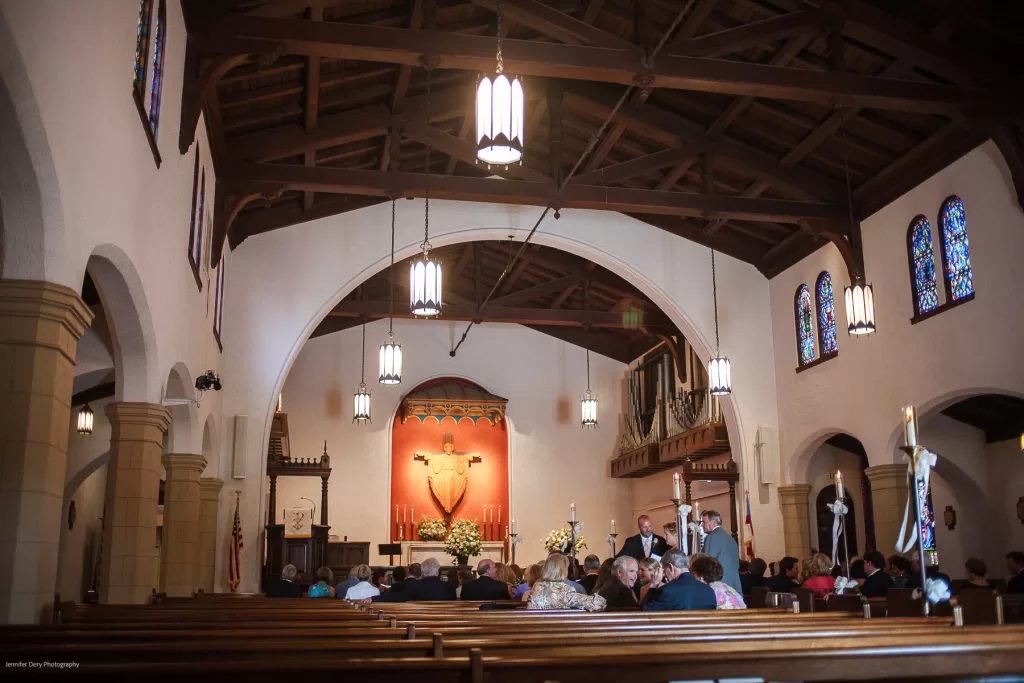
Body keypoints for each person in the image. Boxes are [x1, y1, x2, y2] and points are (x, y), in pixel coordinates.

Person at [642, 549, 717, 611]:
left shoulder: (667, 591)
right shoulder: (709, 591)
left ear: (671, 567)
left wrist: (653, 584)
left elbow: (646, 612)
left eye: (664, 570)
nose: (665, 575)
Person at [527, 553, 606, 611]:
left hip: (536, 630)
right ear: (564, 570)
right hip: (559, 631)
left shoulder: (536, 587)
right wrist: (599, 592)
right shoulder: (565, 590)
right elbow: (598, 604)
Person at [371, 557, 456, 602]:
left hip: (418, 626)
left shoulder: (414, 585)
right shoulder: (450, 588)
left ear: (422, 572)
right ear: (437, 572)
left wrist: (374, 598)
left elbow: (398, 596)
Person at [700, 510, 742, 594]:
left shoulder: (711, 537)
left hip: (720, 585)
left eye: (704, 522)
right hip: (734, 584)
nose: (702, 525)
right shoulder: (731, 539)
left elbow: (707, 563)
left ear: (714, 522)